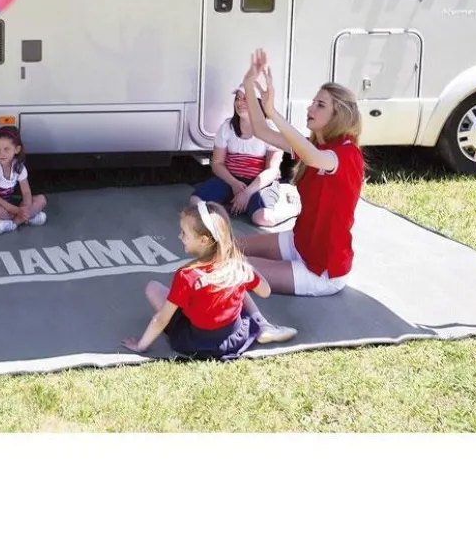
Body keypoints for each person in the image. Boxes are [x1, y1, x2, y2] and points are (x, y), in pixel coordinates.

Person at [236, 48, 364, 296]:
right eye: (313, 102)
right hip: (299, 242)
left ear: (338, 115)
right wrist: (249, 83)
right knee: (230, 247)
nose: (310, 108)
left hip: (322, 270)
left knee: (232, 269)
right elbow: (261, 131)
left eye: (320, 105)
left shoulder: (346, 154)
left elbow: (313, 158)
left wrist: (273, 112)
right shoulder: (317, 146)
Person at [120, 201, 297, 360]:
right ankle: (262, 324)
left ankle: (262, 326)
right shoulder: (236, 267)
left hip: (197, 343)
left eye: (184, 233)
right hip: (234, 339)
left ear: (204, 240)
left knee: (152, 288)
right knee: (236, 280)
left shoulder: (187, 275)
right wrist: (246, 266)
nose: (180, 237)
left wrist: (140, 346)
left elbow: (161, 319)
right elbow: (265, 291)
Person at [191, 83, 301, 228]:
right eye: (237, 98)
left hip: (259, 184)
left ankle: (293, 207)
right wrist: (234, 183)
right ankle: (237, 205)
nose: (239, 103)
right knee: (195, 203)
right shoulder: (227, 127)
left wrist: (247, 193)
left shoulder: (270, 129)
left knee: (263, 219)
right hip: (231, 180)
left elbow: (272, 170)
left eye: (245, 99)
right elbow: (217, 164)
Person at [0, 126, 47, 235]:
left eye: (6, 149)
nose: (1, 153)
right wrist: (18, 211)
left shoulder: (19, 167)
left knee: (41, 199)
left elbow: (26, 192)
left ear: (17, 150)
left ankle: (13, 224)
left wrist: (26, 208)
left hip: (10, 203)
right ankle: (29, 218)